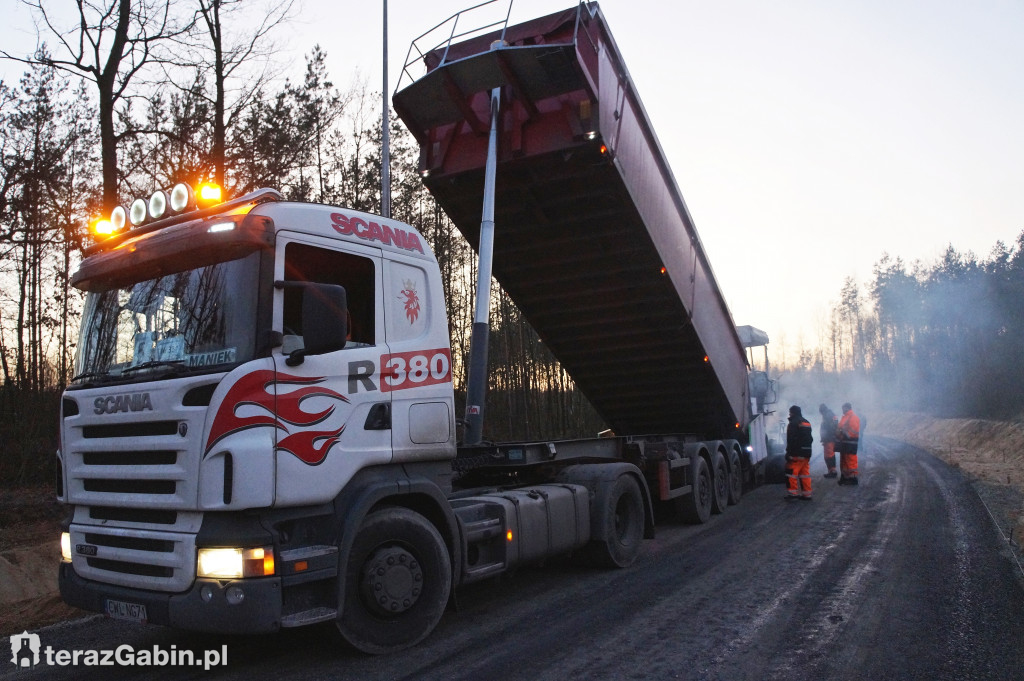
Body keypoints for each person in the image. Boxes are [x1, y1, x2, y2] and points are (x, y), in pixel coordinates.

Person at [785, 405, 814, 501]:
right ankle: (807, 494)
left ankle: (793, 494)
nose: (789, 414)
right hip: (806, 453)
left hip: (796, 453)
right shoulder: (807, 422)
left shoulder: (793, 423)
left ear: (792, 412)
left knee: (791, 473)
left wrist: (789, 453)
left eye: (790, 412)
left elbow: (791, 440)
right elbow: (810, 438)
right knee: (804, 473)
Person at [837, 402, 861, 485]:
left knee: (850, 460)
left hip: (850, 442)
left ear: (847, 408)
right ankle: (845, 477)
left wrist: (844, 432)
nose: (842, 410)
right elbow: (840, 427)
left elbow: (854, 430)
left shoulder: (853, 417)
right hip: (844, 442)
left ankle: (853, 478)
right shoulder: (845, 417)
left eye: (843, 408)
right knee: (844, 460)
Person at [819, 403, 839, 479]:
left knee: (829, 455)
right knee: (830, 454)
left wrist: (825, 437)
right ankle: (831, 471)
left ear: (822, 410)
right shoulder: (831, 414)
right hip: (831, 438)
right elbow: (835, 425)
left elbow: (827, 428)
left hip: (829, 439)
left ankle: (832, 471)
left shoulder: (827, 415)